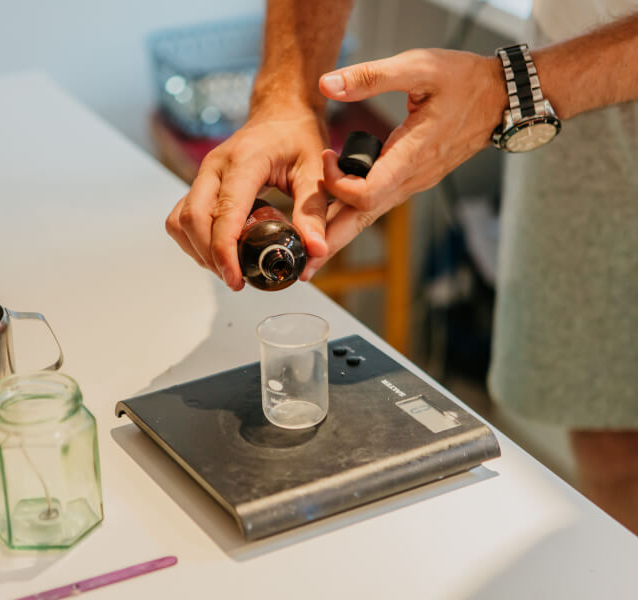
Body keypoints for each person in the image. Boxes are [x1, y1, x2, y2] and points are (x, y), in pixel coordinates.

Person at [165, 0, 638, 532]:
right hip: (569, 52)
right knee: (607, 429)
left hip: (557, 75)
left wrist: (510, 90)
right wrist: (287, 97)